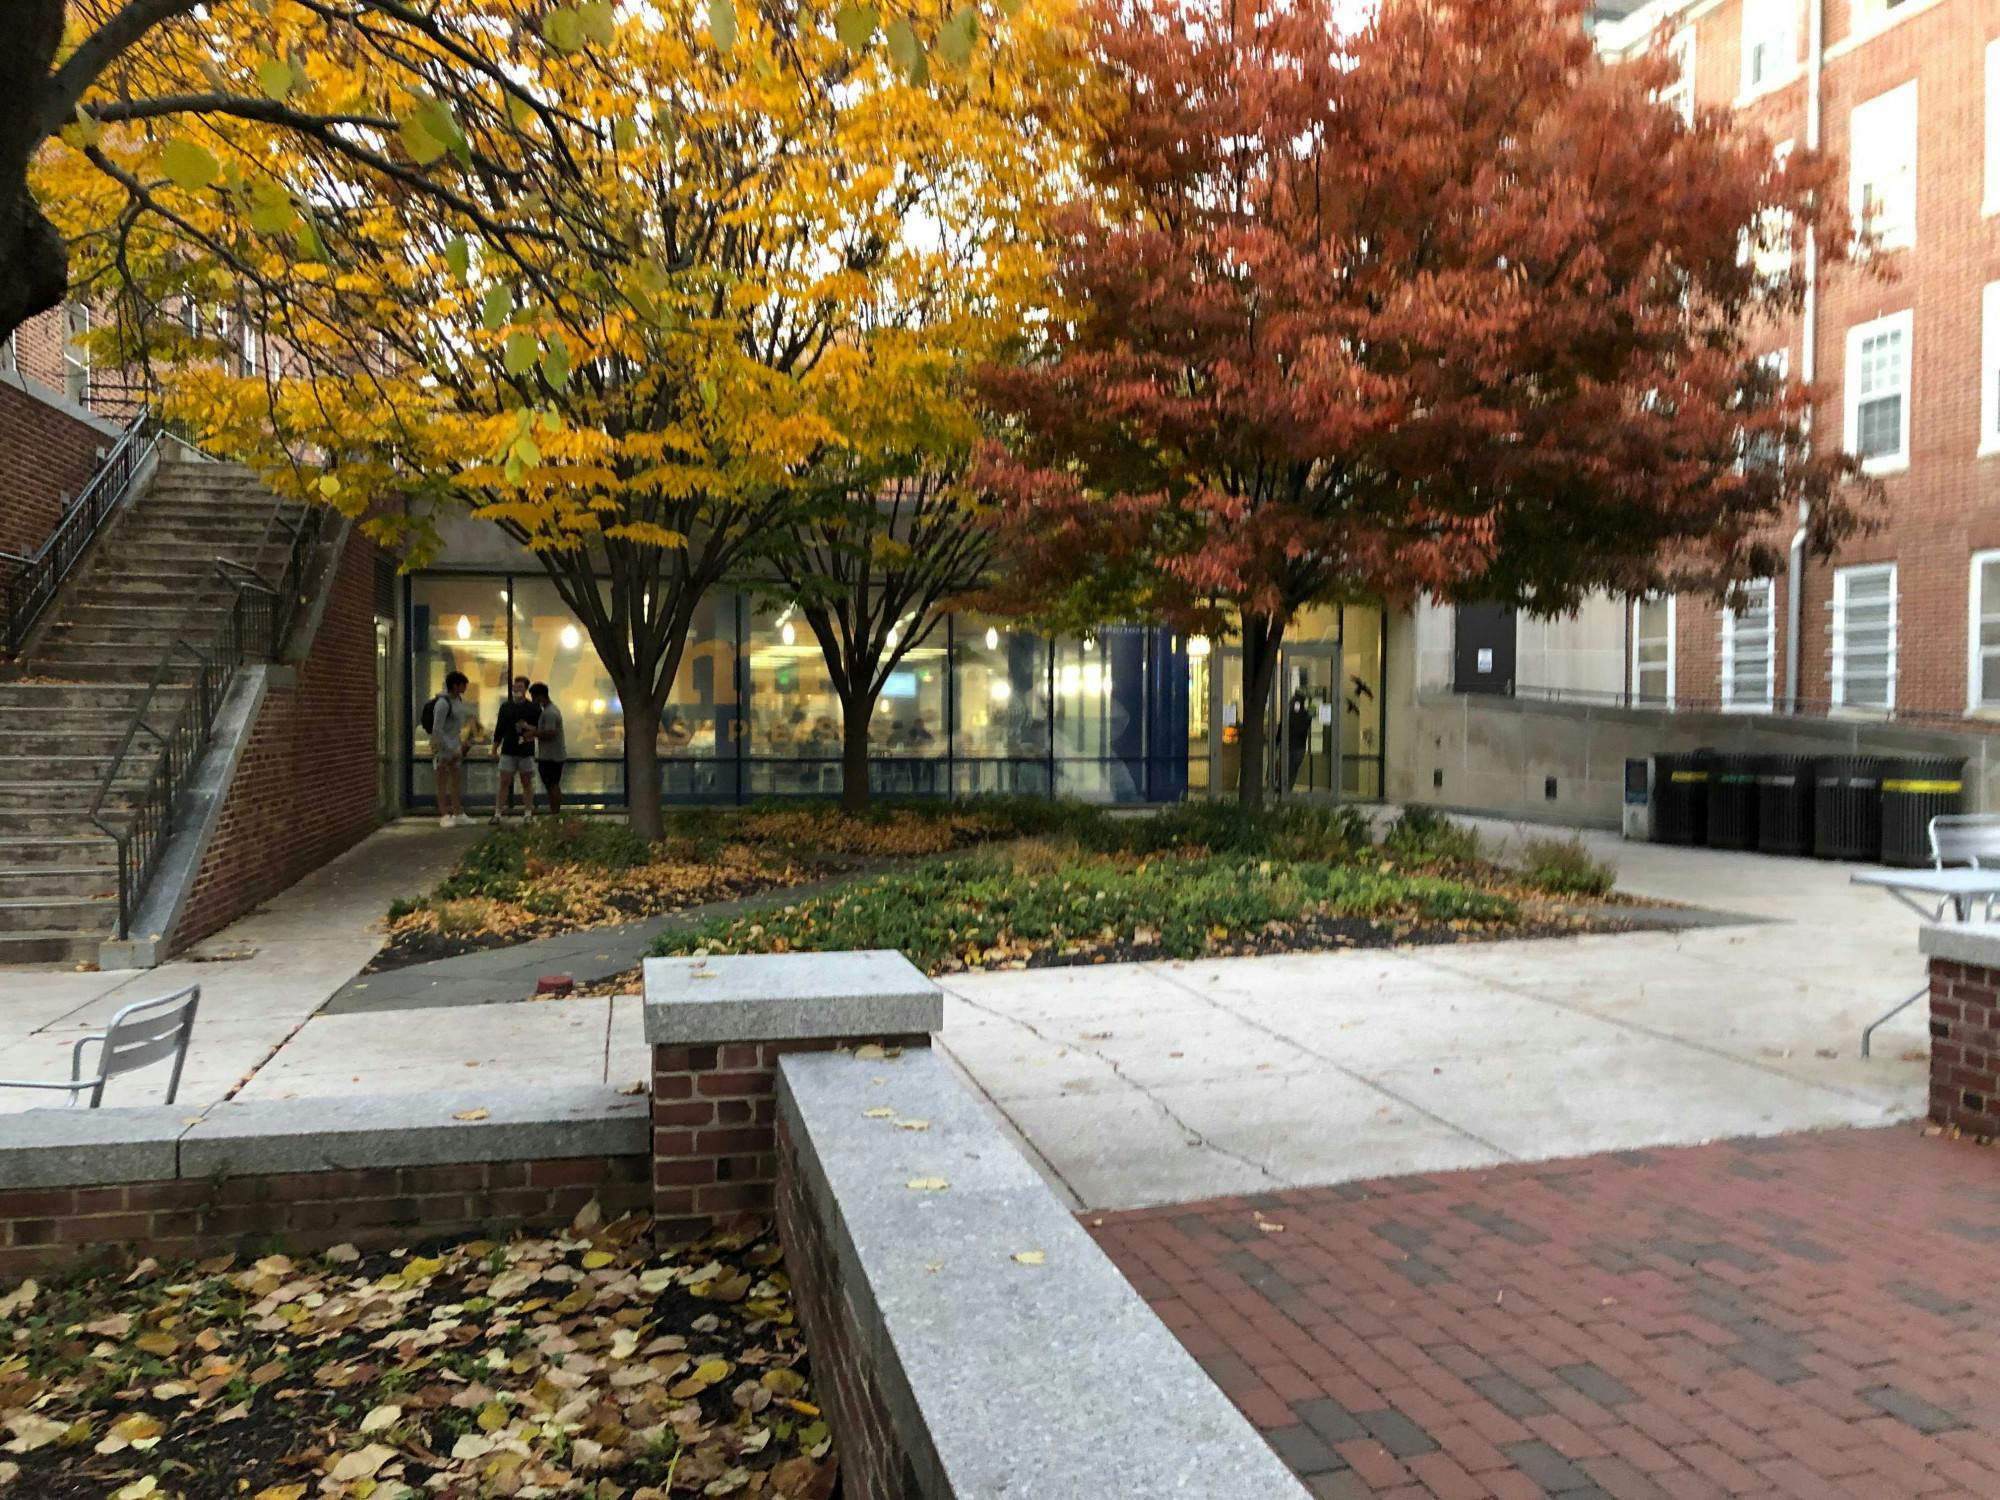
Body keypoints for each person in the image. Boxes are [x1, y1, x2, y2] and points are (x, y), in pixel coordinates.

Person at [425, 671, 475, 827]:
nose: (465, 688)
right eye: (463, 685)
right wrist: (447, 747)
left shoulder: (458, 701)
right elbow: (437, 729)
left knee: (455, 781)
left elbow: (457, 725)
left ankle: (458, 812)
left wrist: (460, 744)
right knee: (442, 780)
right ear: (455, 685)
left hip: (455, 745)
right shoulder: (442, 703)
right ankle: (444, 814)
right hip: (444, 747)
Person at [491, 675, 540, 823]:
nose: (517, 690)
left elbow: (539, 728)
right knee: (504, 781)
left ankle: (528, 813)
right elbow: (500, 728)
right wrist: (495, 748)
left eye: (520, 687)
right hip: (508, 749)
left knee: (526, 782)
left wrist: (527, 727)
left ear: (526, 689)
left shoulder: (533, 708)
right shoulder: (506, 707)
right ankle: (498, 813)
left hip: (525, 750)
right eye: (515, 687)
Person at [529, 682, 567, 817]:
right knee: (552, 785)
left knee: (552, 785)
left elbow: (550, 733)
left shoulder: (549, 713)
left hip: (551, 757)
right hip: (553, 756)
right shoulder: (551, 710)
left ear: (540, 696)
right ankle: (554, 813)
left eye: (533, 697)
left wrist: (534, 734)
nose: (532, 701)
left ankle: (555, 813)